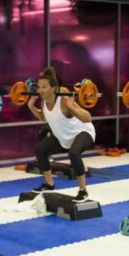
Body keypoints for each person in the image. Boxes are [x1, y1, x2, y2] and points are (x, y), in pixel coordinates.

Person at [27, 67, 96, 203]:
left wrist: (71, 107)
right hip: (63, 136)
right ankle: (49, 184)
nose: (40, 90)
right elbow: (43, 117)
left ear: (54, 88)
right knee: (40, 151)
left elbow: (88, 118)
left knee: (74, 153)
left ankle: (83, 191)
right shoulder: (44, 101)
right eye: (39, 87)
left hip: (82, 132)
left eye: (44, 87)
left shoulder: (64, 100)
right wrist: (30, 105)